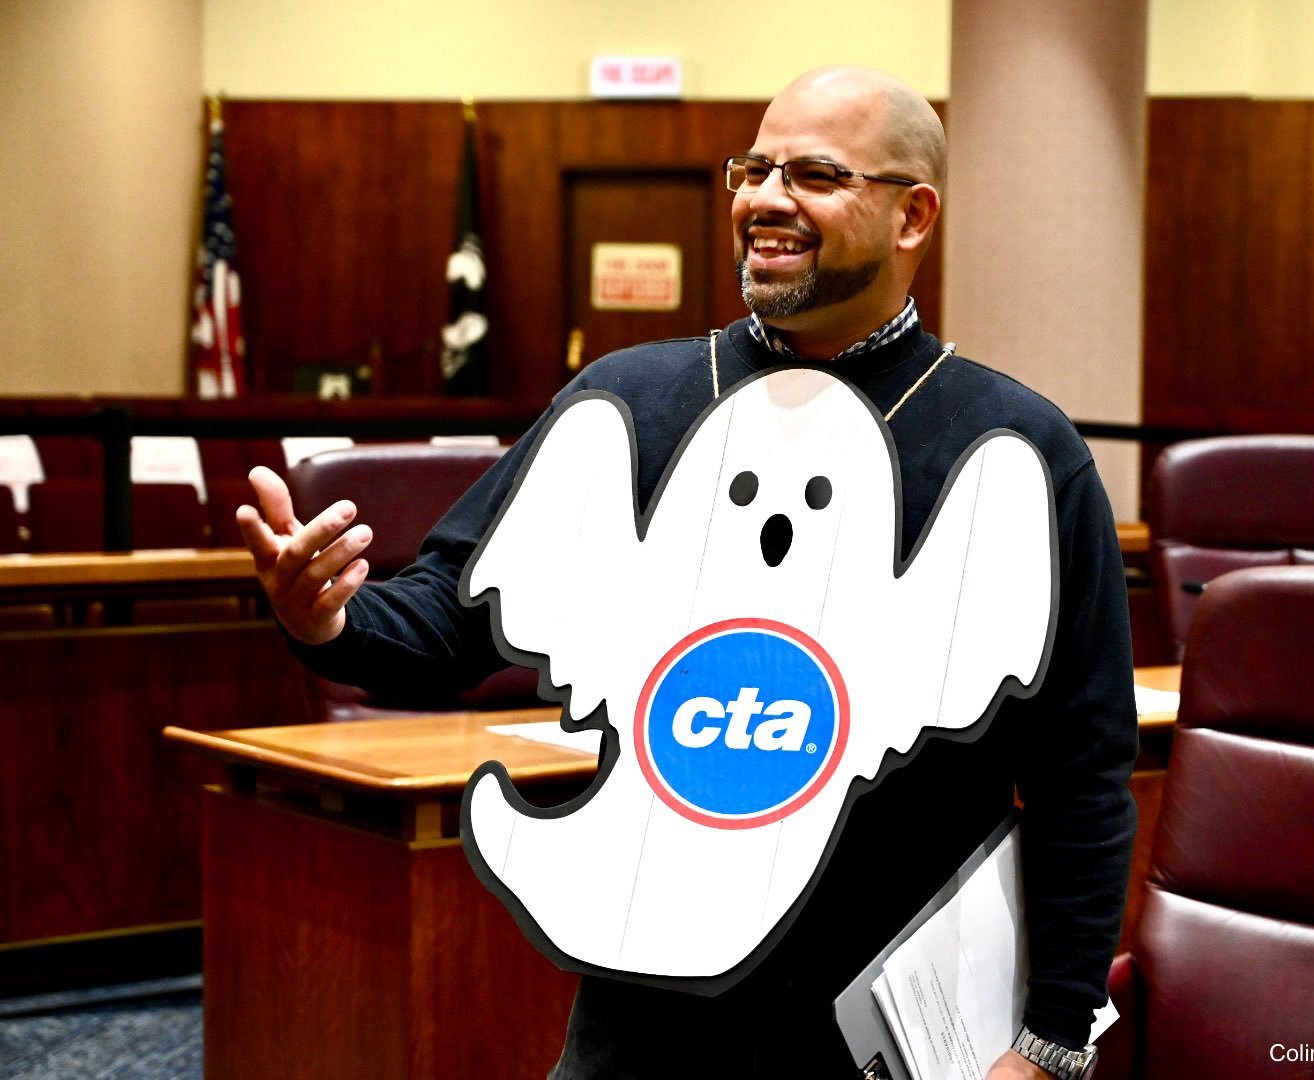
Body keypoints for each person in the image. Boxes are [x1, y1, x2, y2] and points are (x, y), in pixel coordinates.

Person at [239, 66, 1136, 1080]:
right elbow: (447, 616)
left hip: (882, 1030)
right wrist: (330, 621)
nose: (763, 198)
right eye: (753, 169)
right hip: (643, 1018)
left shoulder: (1013, 450)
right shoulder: (632, 404)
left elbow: (1081, 775)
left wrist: (1053, 1041)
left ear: (911, 215)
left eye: (813, 174)